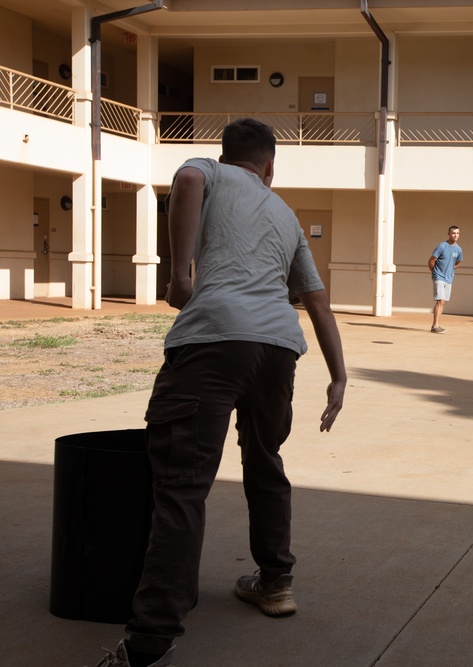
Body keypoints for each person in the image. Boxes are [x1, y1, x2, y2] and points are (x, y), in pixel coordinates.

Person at [91, 118, 347, 667]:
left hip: (215, 341)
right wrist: (339, 375)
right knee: (264, 459)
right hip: (279, 347)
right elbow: (318, 302)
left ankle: (150, 642)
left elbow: (184, 183)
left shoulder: (207, 169)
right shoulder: (285, 214)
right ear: (270, 167)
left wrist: (180, 275)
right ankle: (275, 581)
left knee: (182, 484)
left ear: (227, 154)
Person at [428, 225, 463, 333]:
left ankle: (437, 325)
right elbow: (431, 261)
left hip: (449, 278)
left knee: (443, 302)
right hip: (439, 277)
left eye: (457, 233)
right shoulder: (442, 246)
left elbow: (457, 263)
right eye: (453, 233)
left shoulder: (458, 249)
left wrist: (451, 268)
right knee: (440, 300)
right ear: (448, 234)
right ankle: (435, 326)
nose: (455, 235)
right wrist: (435, 273)